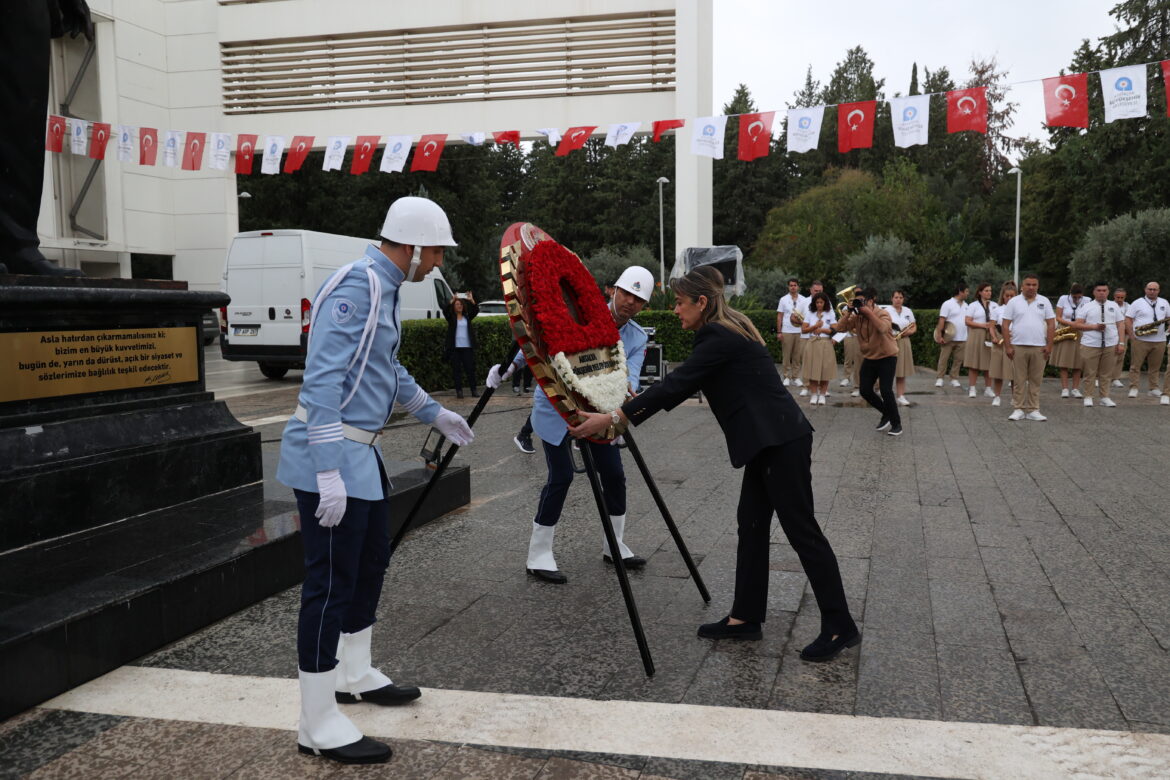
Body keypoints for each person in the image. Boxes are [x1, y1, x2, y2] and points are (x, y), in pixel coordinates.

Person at [568, 266, 860, 662]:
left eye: (679, 302)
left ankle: (840, 625)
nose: (675, 310)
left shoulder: (717, 335)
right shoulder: (726, 330)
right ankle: (746, 617)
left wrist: (615, 419)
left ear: (701, 303)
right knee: (752, 525)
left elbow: (677, 384)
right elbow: (678, 384)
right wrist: (629, 401)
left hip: (780, 443)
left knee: (803, 532)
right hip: (769, 442)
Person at [275, 197, 474, 765]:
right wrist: (329, 471)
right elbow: (320, 381)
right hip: (331, 456)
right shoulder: (357, 286)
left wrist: (434, 412)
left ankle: (354, 672)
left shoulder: (384, 288)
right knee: (330, 585)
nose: (438, 263)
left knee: (368, 567)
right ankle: (315, 721)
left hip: (361, 458)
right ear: (409, 246)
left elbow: (386, 369)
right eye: (435, 251)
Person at [488, 265, 651, 583]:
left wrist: (626, 387)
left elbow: (630, 372)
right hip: (556, 406)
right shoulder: (578, 313)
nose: (631, 302)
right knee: (561, 476)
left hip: (600, 413)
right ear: (612, 290)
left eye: (639, 299)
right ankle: (538, 554)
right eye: (627, 293)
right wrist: (511, 366)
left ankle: (613, 544)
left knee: (615, 475)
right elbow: (541, 340)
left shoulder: (637, 337)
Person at [837, 287, 902, 436]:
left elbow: (883, 328)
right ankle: (886, 413)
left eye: (862, 302)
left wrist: (869, 313)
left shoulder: (883, 313)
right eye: (857, 302)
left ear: (871, 301)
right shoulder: (857, 316)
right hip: (870, 357)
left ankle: (896, 424)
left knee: (885, 390)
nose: (859, 305)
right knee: (864, 390)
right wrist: (848, 311)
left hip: (887, 356)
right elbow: (840, 328)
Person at [1001, 273, 1055, 422]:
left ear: (1038, 286)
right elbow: (1005, 325)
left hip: (1039, 347)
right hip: (1018, 346)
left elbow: (1051, 324)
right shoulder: (1014, 302)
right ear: (1022, 286)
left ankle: (1033, 409)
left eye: (1034, 285)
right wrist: (1008, 346)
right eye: (1028, 284)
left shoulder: (1044, 301)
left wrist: (1049, 345)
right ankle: (1018, 408)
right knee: (1018, 380)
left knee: (1036, 380)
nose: (1031, 287)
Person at [1074, 281, 1125, 407]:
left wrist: (1121, 342)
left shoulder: (1114, 305)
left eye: (1104, 290)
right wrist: (1093, 326)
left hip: (1110, 343)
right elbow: (1078, 324)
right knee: (1089, 372)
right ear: (1094, 292)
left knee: (1106, 373)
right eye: (1099, 290)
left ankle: (1104, 397)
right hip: (1090, 344)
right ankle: (1088, 396)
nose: (1101, 293)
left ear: (1108, 292)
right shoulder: (1086, 306)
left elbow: (1120, 324)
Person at [1125, 281, 1170, 402]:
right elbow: (1128, 319)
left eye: (1155, 289)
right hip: (1140, 339)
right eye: (1150, 289)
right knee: (1135, 365)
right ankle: (1133, 387)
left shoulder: (1164, 302)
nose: (1152, 291)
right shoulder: (1137, 303)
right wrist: (1131, 335)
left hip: (1159, 340)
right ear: (1145, 290)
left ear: (1159, 290)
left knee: (1155, 366)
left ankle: (1153, 388)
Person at [800, 291, 837, 406]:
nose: (819, 304)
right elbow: (803, 329)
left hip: (825, 342)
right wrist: (815, 326)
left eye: (821, 302)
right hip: (813, 343)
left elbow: (834, 329)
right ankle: (814, 394)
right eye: (817, 302)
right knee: (813, 369)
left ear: (825, 303)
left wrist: (822, 330)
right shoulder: (810, 313)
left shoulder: (830, 313)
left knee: (825, 370)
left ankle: (822, 394)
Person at [441, 293, 479, 399]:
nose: (459, 306)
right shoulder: (451, 318)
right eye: (457, 304)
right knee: (456, 370)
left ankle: (474, 390)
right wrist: (452, 300)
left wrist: (472, 300)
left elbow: (476, 310)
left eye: (460, 304)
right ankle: (459, 391)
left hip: (467, 348)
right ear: (454, 306)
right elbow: (444, 310)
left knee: (470, 369)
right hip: (455, 349)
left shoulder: (467, 317)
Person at [1053, 284, 1087, 398]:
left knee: (1078, 362)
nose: (1077, 299)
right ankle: (1065, 389)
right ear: (1070, 294)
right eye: (1074, 297)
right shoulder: (1063, 299)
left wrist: (1078, 324)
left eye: (1079, 297)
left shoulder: (1087, 300)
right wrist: (1071, 323)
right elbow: (1058, 317)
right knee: (1064, 361)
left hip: (1080, 331)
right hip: (1065, 329)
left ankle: (1076, 389)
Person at [963, 282, 996, 398]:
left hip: (989, 335)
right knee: (974, 363)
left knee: (989, 363)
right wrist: (982, 325)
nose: (989, 293)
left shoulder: (994, 305)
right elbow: (967, 321)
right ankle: (972, 388)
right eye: (986, 290)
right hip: (976, 335)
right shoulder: (973, 305)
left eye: (990, 290)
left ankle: (988, 388)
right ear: (980, 292)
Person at [883, 290, 916, 406]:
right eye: (896, 297)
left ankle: (901, 395)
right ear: (892, 298)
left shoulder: (908, 311)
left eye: (901, 297)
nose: (898, 299)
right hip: (891, 341)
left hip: (904, 341)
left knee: (902, 370)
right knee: (888, 370)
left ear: (903, 299)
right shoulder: (886, 311)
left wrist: (909, 332)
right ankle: (886, 395)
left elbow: (913, 326)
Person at [987, 281, 1017, 407]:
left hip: (1015, 340)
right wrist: (994, 337)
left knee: (1014, 371)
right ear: (1003, 296)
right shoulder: (997, 310)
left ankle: (1015, 397)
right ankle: (997, 396)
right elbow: (991, 327)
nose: (1009, 298)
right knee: (998, 371)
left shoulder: (1019, 309)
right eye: (1007, 296)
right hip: (1000, 341)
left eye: (1012, 296)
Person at [792, 280, 824, 397]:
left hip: (821, 337)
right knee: (806, 362)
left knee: (820, 362)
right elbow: (793, 317)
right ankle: (806, 386)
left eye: (820, 291)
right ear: (811, 290)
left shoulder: (826, 303)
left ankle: (821, 387)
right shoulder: (804, 302)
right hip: (805, 337)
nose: (817, 292)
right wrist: (803, 323)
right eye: (816, 291)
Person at [934, 284, 969, 388]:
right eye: (966, 291)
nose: (968, 293)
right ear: (960, 291)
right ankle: (940, 378)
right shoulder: (947, 304)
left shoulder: (967, 305)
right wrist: (940, 335)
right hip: (948, 337)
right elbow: (942, 320)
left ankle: (954, 378)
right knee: (944, 358)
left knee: (958, 360)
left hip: (963, 337)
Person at [776, 278, 806, 387]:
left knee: (797, 356)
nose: (793, 287)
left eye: (795, 285)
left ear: (798, 287)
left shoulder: (804, 299)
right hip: (787, 330)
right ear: (788, 287)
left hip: (800, 331)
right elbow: (779, 316)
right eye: (791, 285)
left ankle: (796, 377)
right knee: (786, 355)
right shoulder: (783, 299)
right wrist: (779, 331)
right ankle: (786, 377)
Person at [1110, 287, 1129, 388]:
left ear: (1125, 297)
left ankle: (1115, 378)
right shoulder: (1109, 305)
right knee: (1107, 356)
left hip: (1124, 334)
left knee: (1120, 356)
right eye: (1118, 297)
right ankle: (1099, 378)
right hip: (1111, 334)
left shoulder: (1129, 306)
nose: (1120, 299)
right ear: (1114, 297)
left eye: (1122, 297)